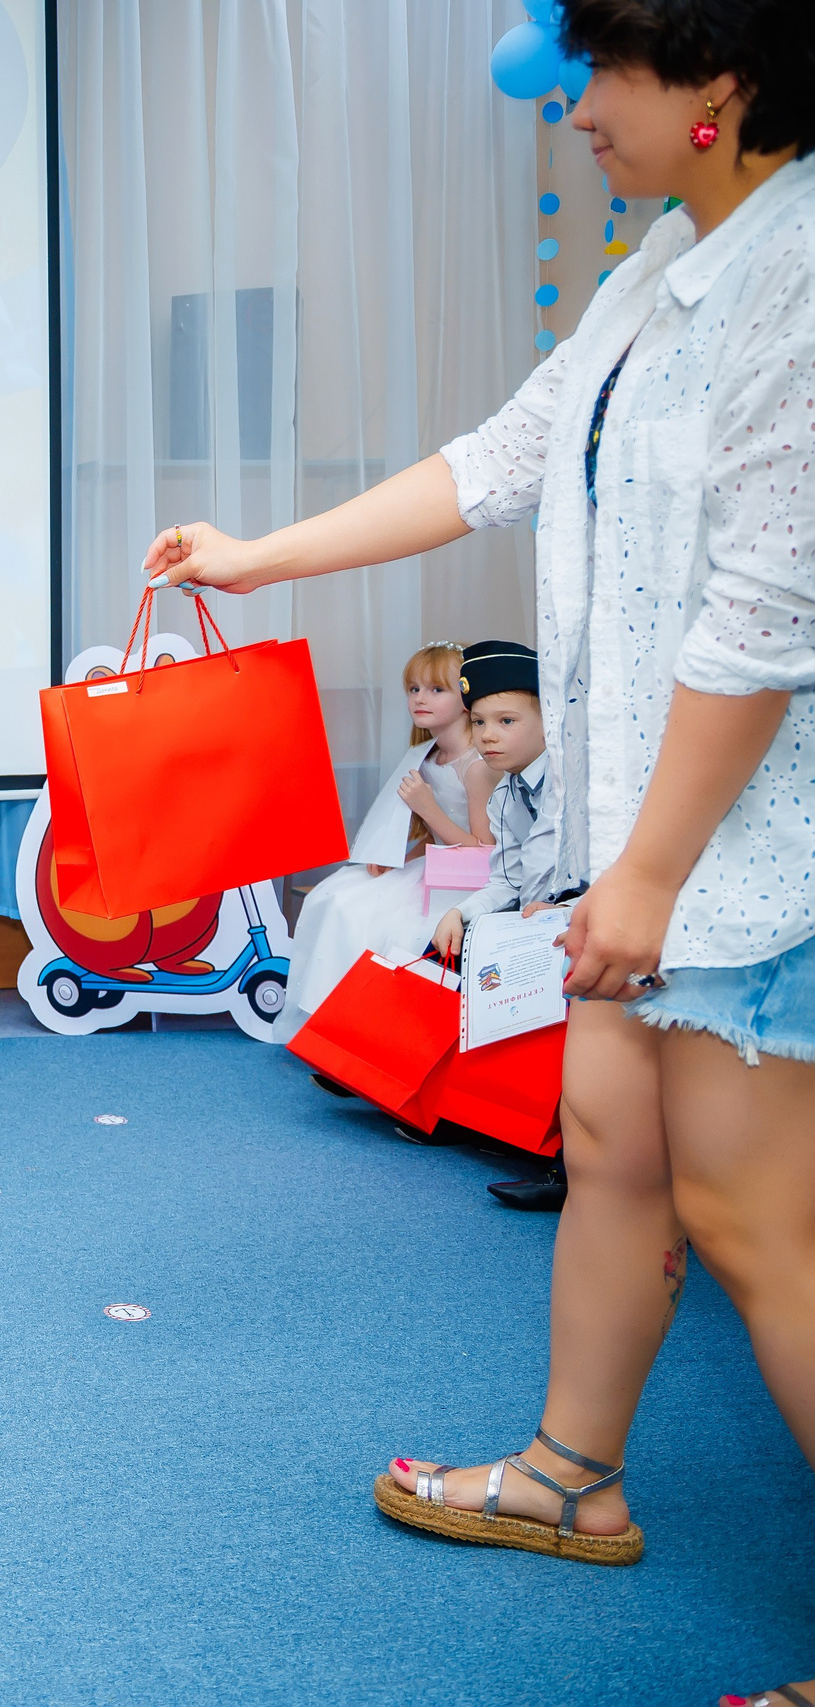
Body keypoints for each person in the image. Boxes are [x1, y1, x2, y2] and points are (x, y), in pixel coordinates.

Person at [143, 0, 815, 1649]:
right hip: (639, 837)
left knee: (752, 1221)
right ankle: (572, 1477)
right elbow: (502, 455)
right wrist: (258, 556)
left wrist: (651, 872)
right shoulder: (664, 259)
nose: (574, 102)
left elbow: (765, 617)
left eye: (609, 72)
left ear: (721, 85)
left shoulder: (796, 280)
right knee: (613, 1159)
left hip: (739, 852)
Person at [274, 641, 492, 1048]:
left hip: (464, 882)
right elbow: (430, 837)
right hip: (431, 864)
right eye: (413, 689)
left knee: (385, 924)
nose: (420, 699)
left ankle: (369, 1037)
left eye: (436, 690)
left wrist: (427, 809)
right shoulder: (428, 756)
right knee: (335, 898)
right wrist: (398, 857)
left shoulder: (475, 766)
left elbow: (483, 850)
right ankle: (333, 1028)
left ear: (466, 697)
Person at [427, 643, 558, 962]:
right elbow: (509, 883)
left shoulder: (574, 787)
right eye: (478, 721)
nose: (487, 736)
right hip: (534, 930)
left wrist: (570, 909)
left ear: (549, 721)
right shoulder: (503, 795)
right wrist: (458, 912)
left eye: (507, 721)